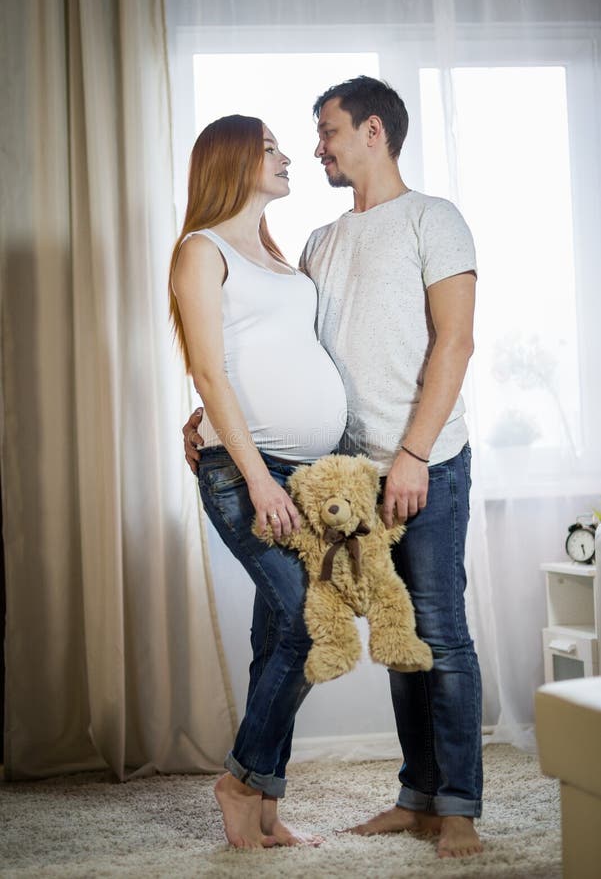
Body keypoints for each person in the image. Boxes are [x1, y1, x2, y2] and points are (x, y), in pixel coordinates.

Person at [183, 77, 483, 859]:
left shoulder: (433, 219)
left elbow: (454, 342)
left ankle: (455, 809)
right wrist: (208, 421)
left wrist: (413, 453)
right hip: (339, 478)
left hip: (425, 461)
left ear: (373, 131)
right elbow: (271, 349)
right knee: (385, 630)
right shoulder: (316, 241)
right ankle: (413, 796)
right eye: (308, 135)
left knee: (438, 633)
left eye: (326, 130)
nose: (314, 145)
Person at [170, 114, 347, 849]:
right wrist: (256, 480)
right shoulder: (199, 250)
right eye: (269, 147)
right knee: (311, 623)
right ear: (232, 161)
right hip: (250, 474)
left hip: (305, 476)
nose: (286, 158)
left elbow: (257, 352)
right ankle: (241, 781)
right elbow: (208, 367)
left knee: (279, 631)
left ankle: (263, 803)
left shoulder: (276, 257)